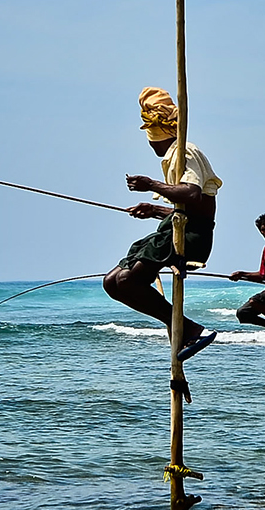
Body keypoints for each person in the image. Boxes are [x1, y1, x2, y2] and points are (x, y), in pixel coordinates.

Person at [103, 87, 223, 361]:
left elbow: (192, 194)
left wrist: (151, 185)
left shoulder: (185, 152)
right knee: (112, 282)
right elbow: (188, 205)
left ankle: (188, 327)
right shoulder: (172, 156)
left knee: (128, 280)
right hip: (175, 227)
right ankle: (178, 325)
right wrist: (155, 209)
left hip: (192, 235)